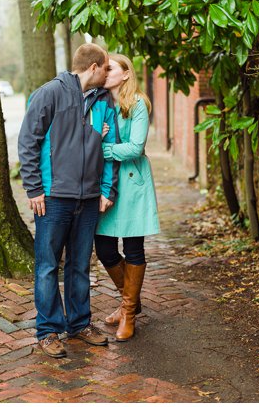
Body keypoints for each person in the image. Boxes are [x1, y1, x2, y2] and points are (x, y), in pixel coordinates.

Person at [18, 43, 119, 358]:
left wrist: (107, 189)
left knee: (79, 264)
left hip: (88, 198)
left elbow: (110, 147)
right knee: (48, 265)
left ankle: (79, 323)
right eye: (106, 67)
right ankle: (48, 331)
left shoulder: (104, 102)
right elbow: (27, 141)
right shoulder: (50, 94)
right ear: (93, 67)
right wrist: (34, 188)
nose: (108, 73)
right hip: (53, 198)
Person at [94, 53, 159, 342]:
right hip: (107, 183)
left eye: (111, 69)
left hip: (132, 184)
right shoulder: (98, 102)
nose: (105, 73)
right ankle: (129, 301)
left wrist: (105, 148)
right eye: (104, 69)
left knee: (133, 248)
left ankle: (129, 313)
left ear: (126, 75)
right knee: (105, 248)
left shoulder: (138, 104)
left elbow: (135, 148)